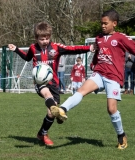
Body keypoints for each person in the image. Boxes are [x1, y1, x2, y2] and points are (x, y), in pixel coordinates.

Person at [56, 9, 135, 150]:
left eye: (106, 23)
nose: (103, 26)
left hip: (114, 77)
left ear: (114, 23)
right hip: (99, 73)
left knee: (111, 109)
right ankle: (62, 109)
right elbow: (98, 53)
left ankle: (121, 135)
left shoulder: (121, 38)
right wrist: (93, 63)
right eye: (101, 23)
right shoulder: (98, 38)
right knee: (81, 90)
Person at [8, 21, 94, 146]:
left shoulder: (56, 48)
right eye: (42, 39)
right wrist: (16, 49)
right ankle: (53, 115)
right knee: (47, 95)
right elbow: (27, 58)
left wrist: (89, 48)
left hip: (54, 83)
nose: (45, 41)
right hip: (39, 82)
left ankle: (42, 133)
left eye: (47, 38)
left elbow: (72, 49)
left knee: (50, 113)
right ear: (36, 38)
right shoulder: (33, 48)